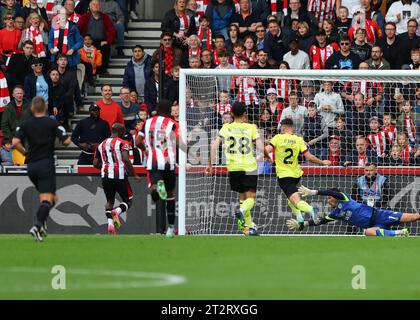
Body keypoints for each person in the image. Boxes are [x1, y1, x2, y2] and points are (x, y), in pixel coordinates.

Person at [12, 96, 71, 241]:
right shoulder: (52, 123)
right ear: (45, 108)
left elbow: (15, 142)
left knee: (52, 198)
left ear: (32, 109)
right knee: (47, 199)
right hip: (45, 165)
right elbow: (67, 141)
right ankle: (37, 226)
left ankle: (42, 220)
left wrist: (25, 152)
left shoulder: (26, 124)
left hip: (31, 167)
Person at [207, 101, 264, 236]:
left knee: (242, 196)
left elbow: (214, 146)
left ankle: (247, 226)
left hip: (233, 167)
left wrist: (210, 165)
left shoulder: (226, 127)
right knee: (250, 198)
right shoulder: (251, 127)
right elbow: (260, 146)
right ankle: (241, 212)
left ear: (231, 113)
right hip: (249, 166)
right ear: (245, 114)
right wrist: (266, 156)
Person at [264, 118, 331, 228]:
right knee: (291, 199)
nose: (280, 128)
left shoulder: (278, 138)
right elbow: (309, 157)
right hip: (296, 175)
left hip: (284, 175)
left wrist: (266, 157)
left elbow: (266, 149)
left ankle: (310, 209)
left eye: (281, 126)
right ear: (293, 127)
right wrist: (322, 162)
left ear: (284, 127)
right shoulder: (299, 140)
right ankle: (299, 218)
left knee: (296, 200)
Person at [287, 185, 420, 237]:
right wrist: (302, 224)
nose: (328, 200)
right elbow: (320, 221)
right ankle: (399, 233)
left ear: (334, 196)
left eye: (329, 198)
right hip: (373, 225)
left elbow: (330, 192)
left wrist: (313, 192)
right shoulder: (336, 214)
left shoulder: (344, 199)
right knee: (368, 232)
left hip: (380, 215)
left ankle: (398, 231)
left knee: (414, 217)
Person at [137, 100, 181, 238]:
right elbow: (179, 142)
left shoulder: (147, 122)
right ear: (169, 110)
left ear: (157, 108)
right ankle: (170, 229)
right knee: (170, 195)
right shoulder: (172, 124)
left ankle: (155, 188)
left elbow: (137, 141)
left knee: (154, 185)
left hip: (153, 160)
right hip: (169, 162)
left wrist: (146, 150)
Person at [93, 122, 141, 235]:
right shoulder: (124, 143)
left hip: (105, 176)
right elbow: (125, 158)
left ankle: (110, 224)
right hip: (119, 175)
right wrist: (134, 174)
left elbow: (95, 163)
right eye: (123, 132)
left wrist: (106, 167)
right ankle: (116, 212)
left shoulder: (101, 144)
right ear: (120, 132)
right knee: (128, 201)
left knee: (109, 201)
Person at [77, 0, 116, 75]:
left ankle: (102, 70)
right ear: (90, 6)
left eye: (97, 4)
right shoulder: (84, 17)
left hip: (101, 42)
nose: (96, 6)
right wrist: (82, 41)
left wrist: (107, 41)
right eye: (94, 4)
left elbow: (112, 30)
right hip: (87, 42)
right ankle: (89, 71)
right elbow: (77, 30)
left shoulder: (105, 17)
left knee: (106, 47)